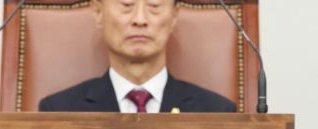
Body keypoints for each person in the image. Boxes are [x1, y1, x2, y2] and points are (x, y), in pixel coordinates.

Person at [39, 0, 235, 113]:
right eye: (126, 4)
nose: (140, 19)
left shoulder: (218, 113)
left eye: (154, 5)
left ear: (174, 16)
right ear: (98, 12)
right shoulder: (59, 111)